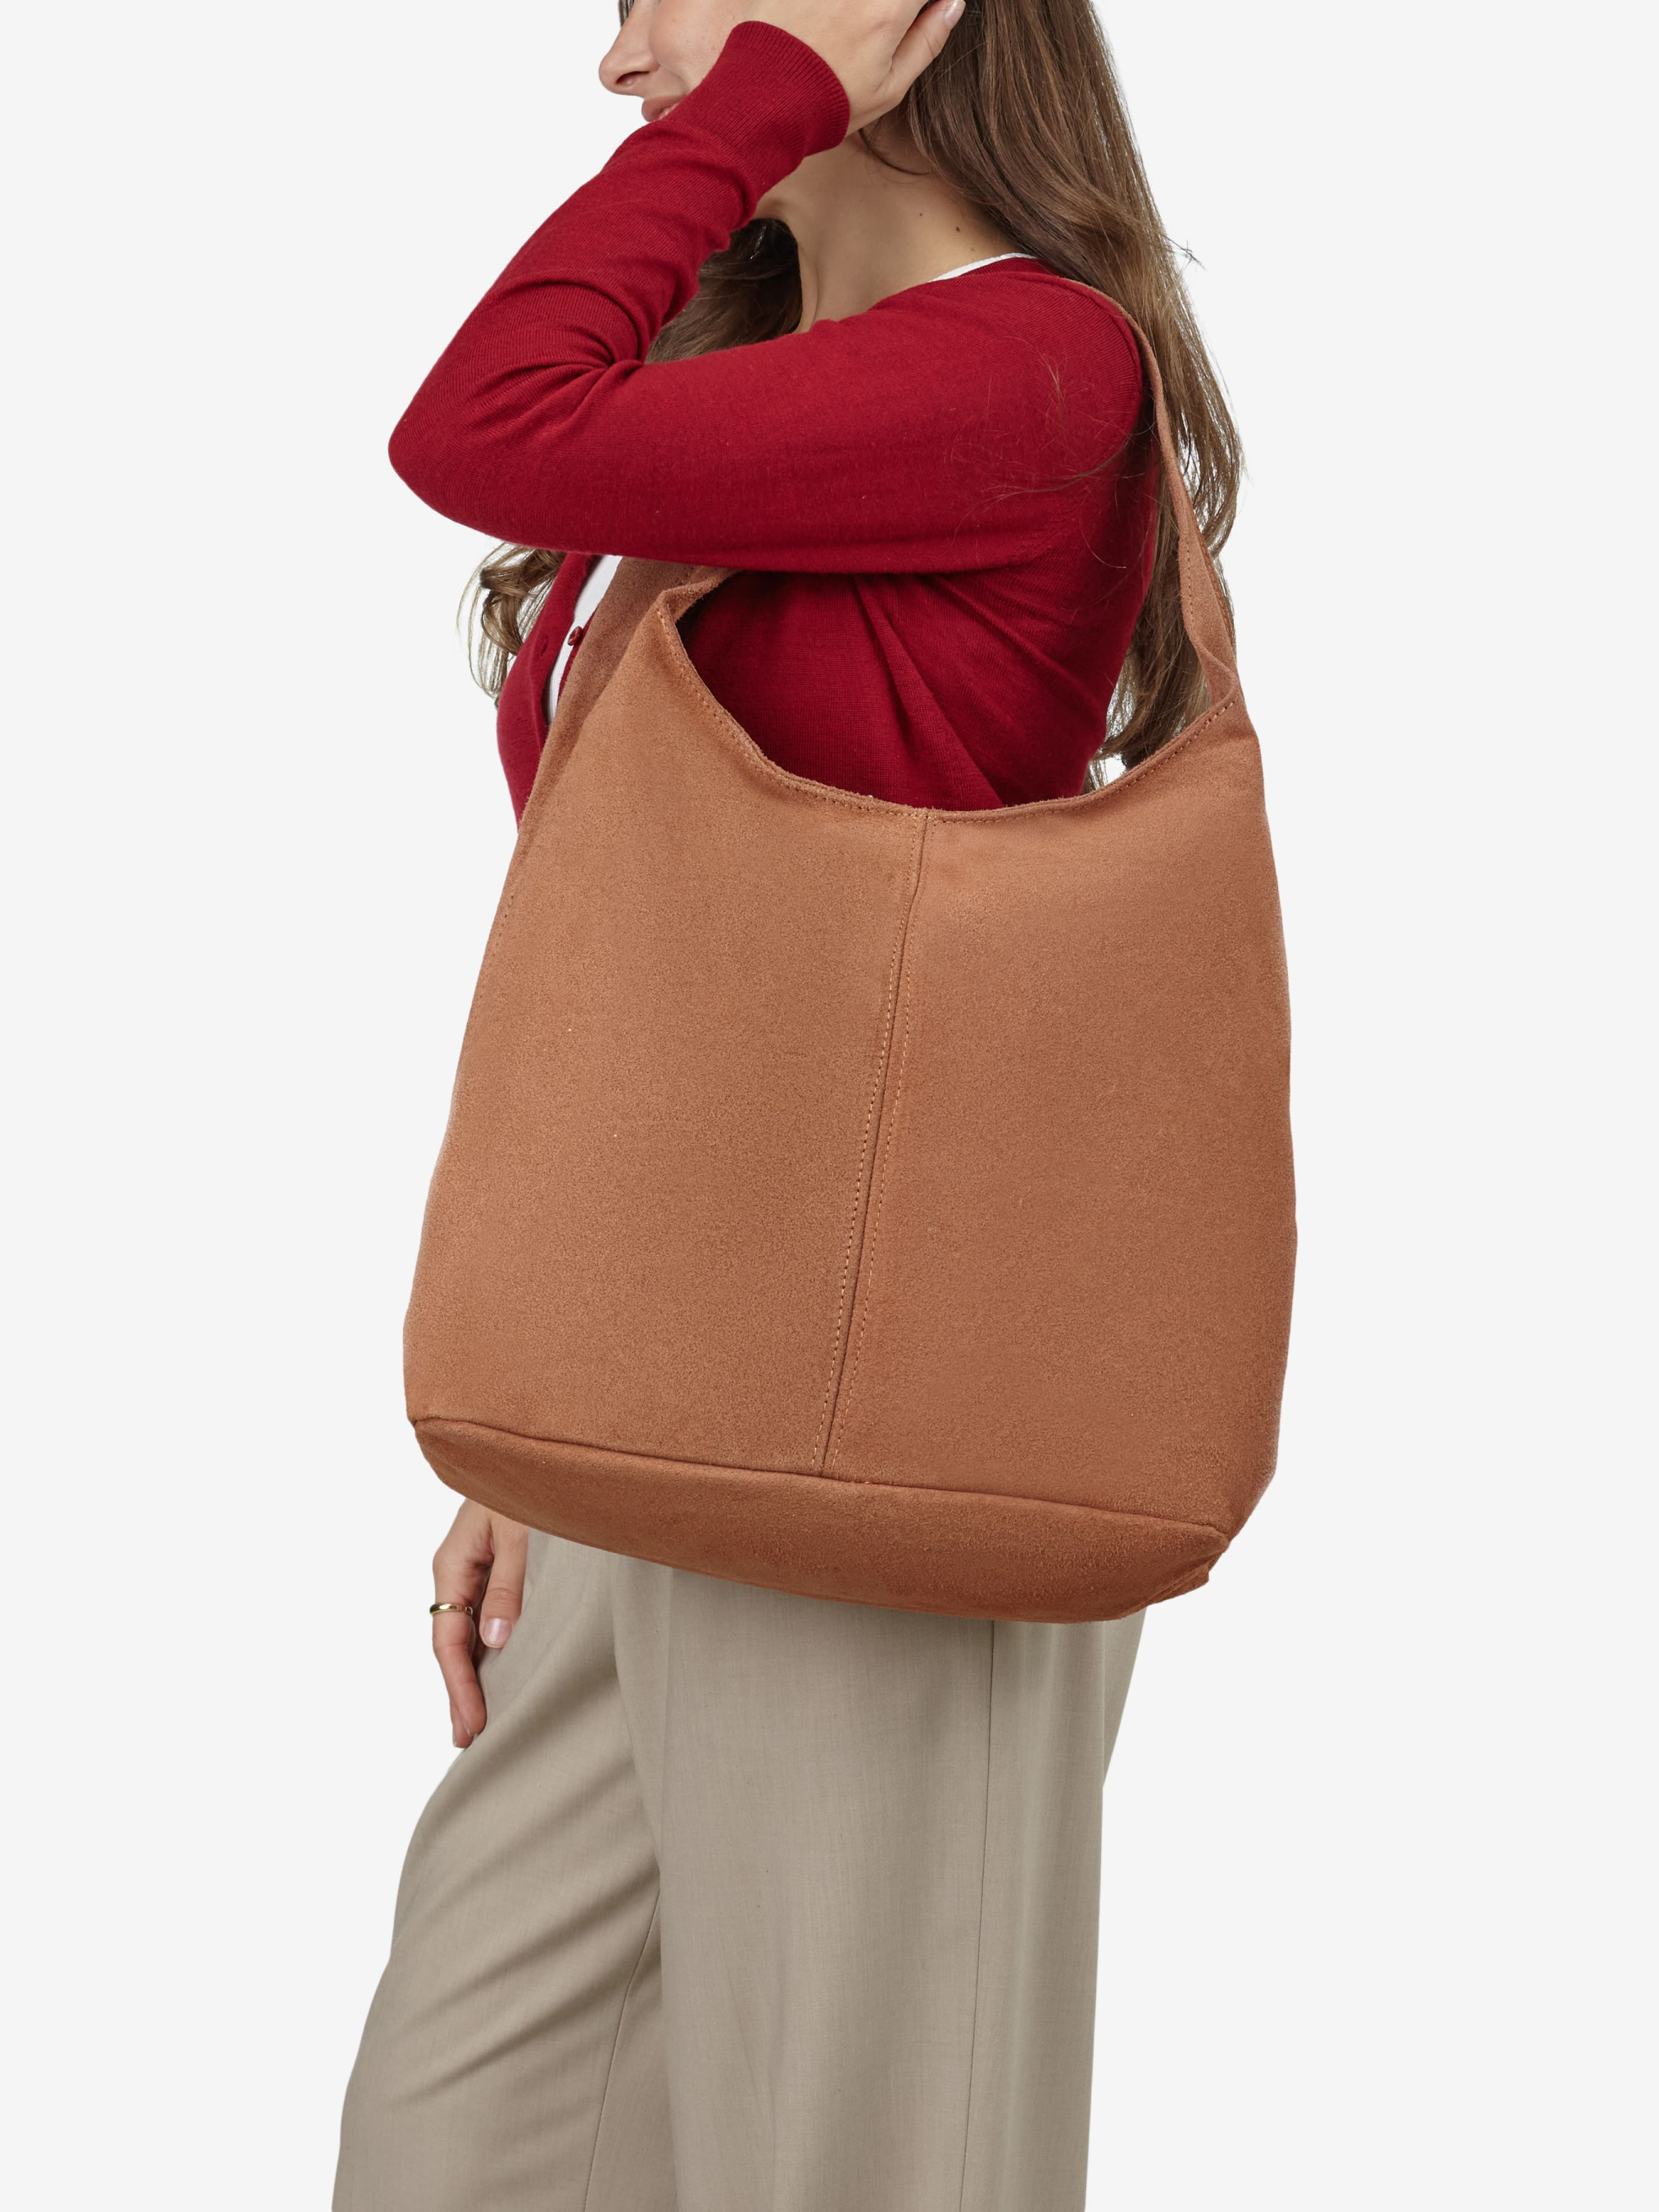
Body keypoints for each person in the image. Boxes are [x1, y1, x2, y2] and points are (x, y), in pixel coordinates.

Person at [335, 4, 1242, 2207]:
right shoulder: (766, 389)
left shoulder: (1028, 366)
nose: (625, 51)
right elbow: (656, 956)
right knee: (458, 2144)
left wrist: (765, 103)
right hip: (666, 1414)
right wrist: (557, 1409)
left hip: (887, 1431)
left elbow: (473, 423)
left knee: (862, 2158)